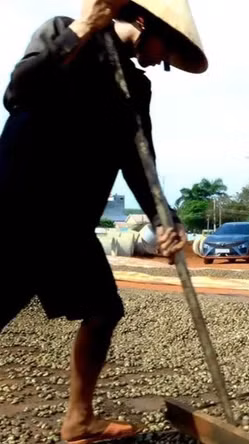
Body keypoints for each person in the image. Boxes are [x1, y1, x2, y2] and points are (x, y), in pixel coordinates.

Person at [0, 0, 207, 441]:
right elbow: (18, 91)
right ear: (142, 22)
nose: (159, 63)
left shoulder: (134, 86)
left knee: (103, 310)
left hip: (70, 221)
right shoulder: (64, 33)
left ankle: (78, 419)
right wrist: (83, 27)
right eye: (162, 51)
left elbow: (139, 159)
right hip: (19, 208)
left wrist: (163, 218)